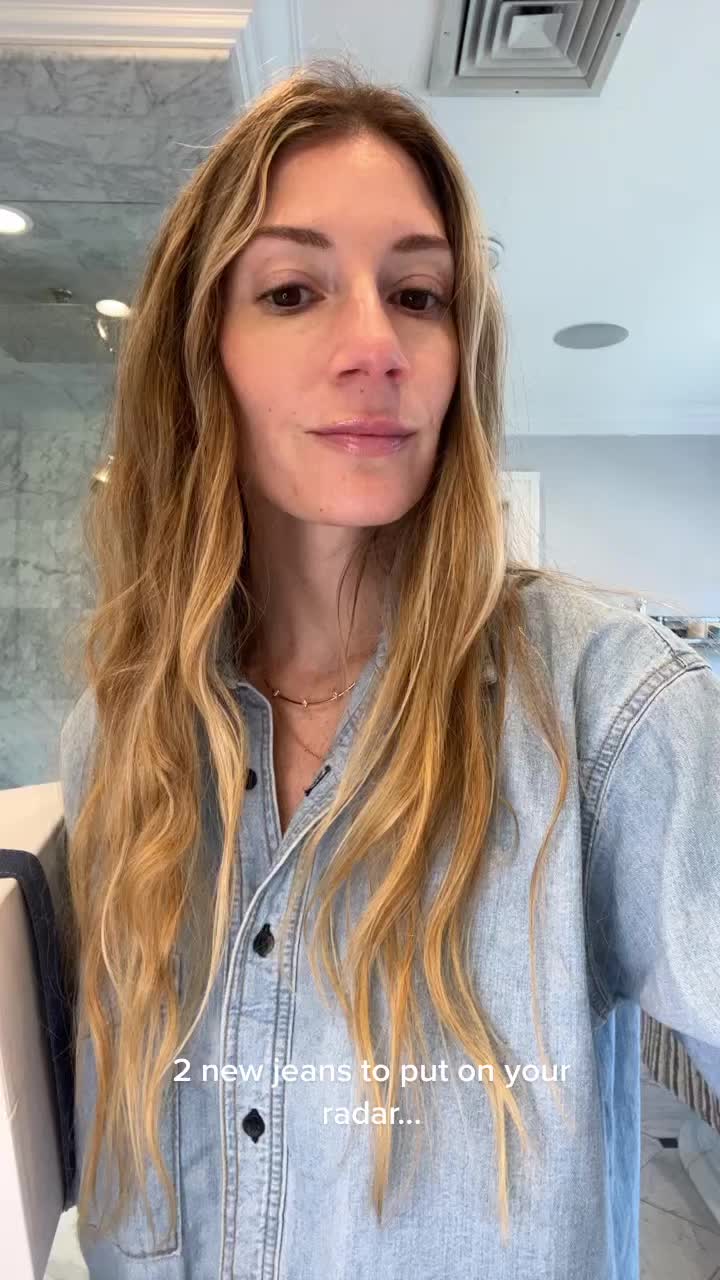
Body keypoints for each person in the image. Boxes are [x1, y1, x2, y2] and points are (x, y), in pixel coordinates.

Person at [57, 58, 720, 1280]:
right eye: (293, 290)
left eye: (418, 294)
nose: (377, 344)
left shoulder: (605, 708)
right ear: (205, 352)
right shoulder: (121, 735)